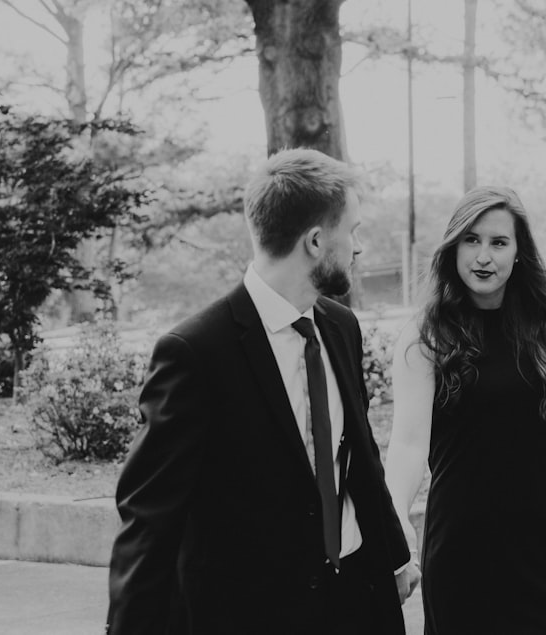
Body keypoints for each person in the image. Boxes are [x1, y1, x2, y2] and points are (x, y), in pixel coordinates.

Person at [107, 148, 421, 635]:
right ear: (316, 241)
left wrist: (395, 557)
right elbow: (149, 519)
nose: (359, 248)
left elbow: (357, 455)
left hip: (360, 600)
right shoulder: (195, 352)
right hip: (253, 613)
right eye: (353, 231)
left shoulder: (341, 327)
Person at [385, 186, 546, 634]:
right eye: (471, 240)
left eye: (499, 242)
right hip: (463, 548)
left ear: (519, 253)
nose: (483, 256)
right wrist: (394, 519)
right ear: (452, 247)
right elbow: (407, 444)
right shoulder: (425, 338)